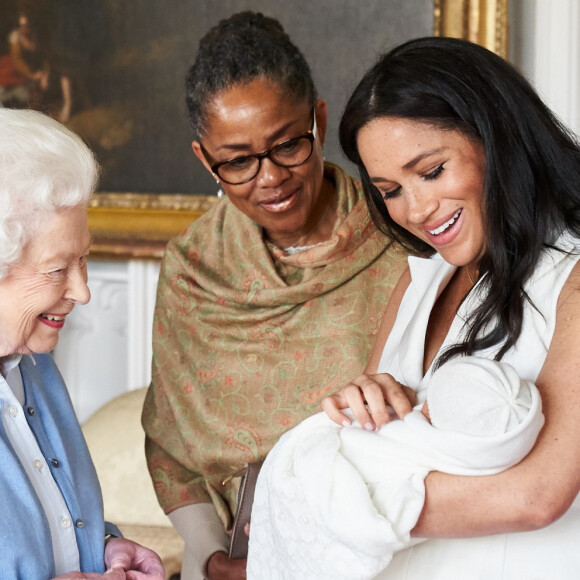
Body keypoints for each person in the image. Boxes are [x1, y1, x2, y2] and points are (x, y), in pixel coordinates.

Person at [141, 11, 408, 580]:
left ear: (318, 120)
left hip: (378, 550)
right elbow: (170, 442)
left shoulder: (402, 239)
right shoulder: (193, 269)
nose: (270, 178)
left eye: (288, 144)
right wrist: (214, 556)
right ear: (204, 159)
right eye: (237, 161)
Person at [319, 37, 580, 579]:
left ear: (497, 138)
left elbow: (538, 495)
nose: (415, 211)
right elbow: (375, 446)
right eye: (389, 190)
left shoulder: (572, 278)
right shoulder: (417, 282)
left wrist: (331, 497)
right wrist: (361, 404)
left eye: (432, 171)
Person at [0, 108, 165, 580]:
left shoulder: (34, 366)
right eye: (57, 269)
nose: (82, 291)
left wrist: (106, 545)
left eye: (84, 259)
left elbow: (43, 522)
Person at [248, 356, 544, 580]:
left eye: (430, 407)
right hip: (339, 447)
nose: (422, 409)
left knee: (299, 480)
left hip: (334, 466)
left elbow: (367, 518)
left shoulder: (421, 450)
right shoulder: (416, 281)